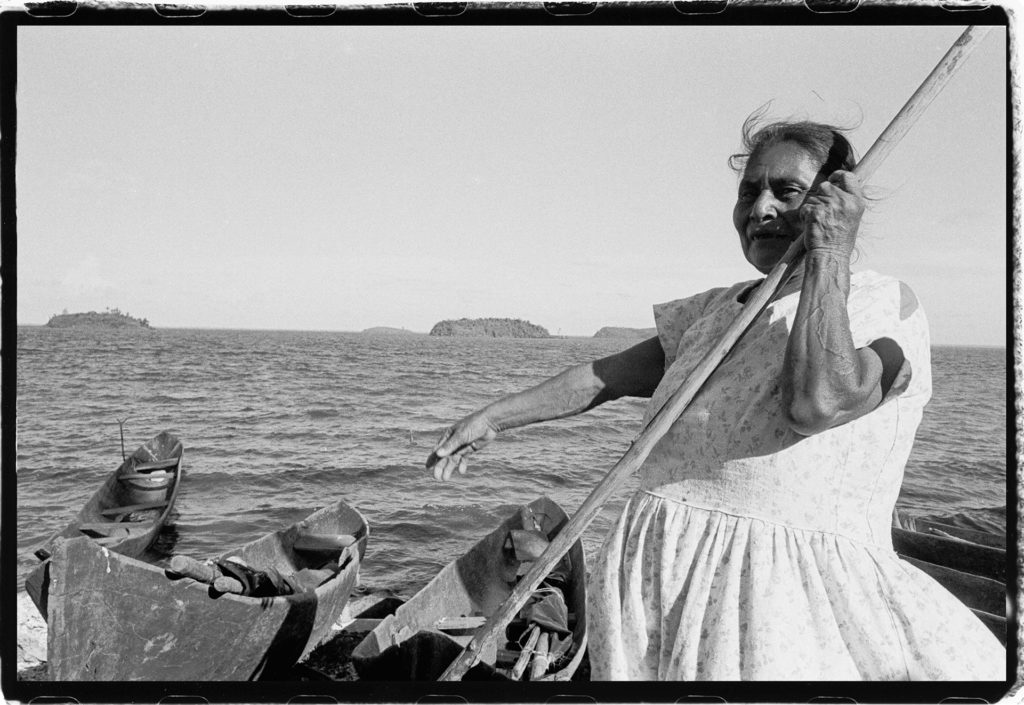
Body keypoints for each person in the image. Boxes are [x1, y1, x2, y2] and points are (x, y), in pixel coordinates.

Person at [425, 115, 1005, 680]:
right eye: (749, 192)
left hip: (776, 596)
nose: (760, 209)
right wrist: (492, 419)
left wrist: (829, 254)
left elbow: (818, 403)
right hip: (659, 573)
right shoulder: (716, 310)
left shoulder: (886, 305)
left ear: (835, 203)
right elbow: (602, 378)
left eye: (788, 191)